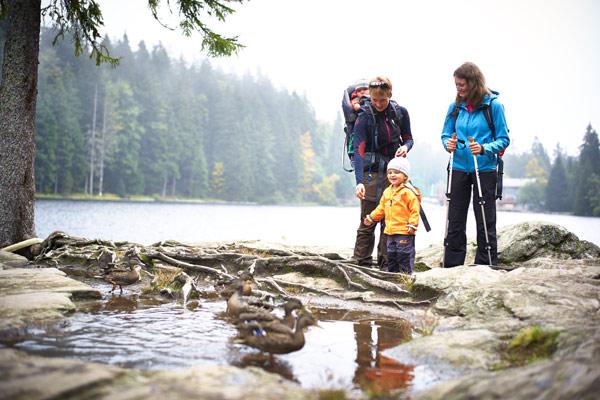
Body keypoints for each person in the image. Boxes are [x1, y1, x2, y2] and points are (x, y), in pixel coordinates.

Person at [441, 62, 510, 267]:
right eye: (456, 84)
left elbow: (504, 139)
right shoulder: (455, 107)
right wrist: (448, 143)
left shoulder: (494, 106)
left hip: (484, 169)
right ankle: (452, 265)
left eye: (462, 84)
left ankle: (486, 264)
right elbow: (445, 134)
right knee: (455, 219)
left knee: (485, 219)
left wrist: (483, 148)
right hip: (458, 167)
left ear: (474, 83)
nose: (458, 88)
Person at [352, 76, 413, 269]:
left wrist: (405, 147)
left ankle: (387, 266)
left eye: (383, 100)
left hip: (394, 175)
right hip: (370, 175)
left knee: (391, 221)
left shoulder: (400, 113)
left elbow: (409, 138)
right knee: (368, 220)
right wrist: (359, 181)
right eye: (374, 100)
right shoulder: (364, 117)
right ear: (370, 96)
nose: (378, 104)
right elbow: (359, 151)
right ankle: (361, 264)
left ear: (390, 95)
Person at [364, 157, 419, 274]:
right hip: (390, 231)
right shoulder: (387, 192)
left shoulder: (408, 192)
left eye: (397, 172)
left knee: (404, 254)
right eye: (390, 172)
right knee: (391, 254)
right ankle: (393, 274)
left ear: (405, 176)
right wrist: (371, 217)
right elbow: (381, 208)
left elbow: (415, 210)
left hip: (404, 231)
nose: (392, 175)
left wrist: (413, 224)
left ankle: (406, 275)